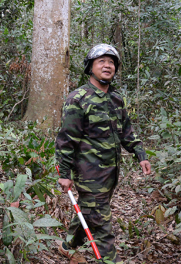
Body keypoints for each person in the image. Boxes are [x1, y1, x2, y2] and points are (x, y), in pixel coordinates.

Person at [55, 44, 152, 264]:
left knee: (90, 211)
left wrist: (141, 154)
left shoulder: (116, 100)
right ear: (90, 67)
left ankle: (67, 245)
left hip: (110, 173)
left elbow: (127, 132)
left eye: (111, 62)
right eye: (102, 61)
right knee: (101, 224)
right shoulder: (78, 99)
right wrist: (64, 172)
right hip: (88, 174)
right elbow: (66, 139)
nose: (107, 66)